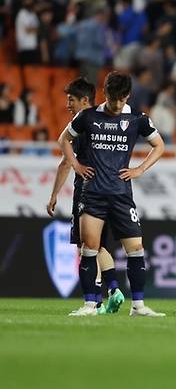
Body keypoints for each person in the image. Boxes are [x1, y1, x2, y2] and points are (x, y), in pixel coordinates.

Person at [58, 71, 166, 317]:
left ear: (128, 95)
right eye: (114, 98)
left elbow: (159, 145)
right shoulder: (87, 117)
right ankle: (89, 305)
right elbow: (63, 139)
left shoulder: (138, 118)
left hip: (121, 195)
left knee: (136, 248)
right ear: (105, 93)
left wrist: (140, 169)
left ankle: (138, 306)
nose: (118, 104)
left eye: (122, 98)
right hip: (93, 194)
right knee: (90, 248)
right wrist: (75, 165)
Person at [47, 78, 124, 315]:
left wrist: (53, 196)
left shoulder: (82, 123)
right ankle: (113, 289)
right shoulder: (104, 120)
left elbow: (65, 163)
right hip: (111, 190)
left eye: (71, 99)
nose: (67, 104)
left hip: (87, 190)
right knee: (99, 245)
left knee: (86, 245)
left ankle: (96, 299)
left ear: (84, 100)